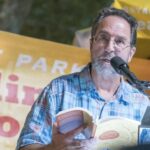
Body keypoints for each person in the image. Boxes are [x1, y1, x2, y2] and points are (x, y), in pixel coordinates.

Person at [16, 7, 150, 150]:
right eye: (103, 38)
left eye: (119, 41)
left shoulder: (142, 104)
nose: (110, 47)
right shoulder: (58, 90)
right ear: (92, 44)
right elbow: (25, 146)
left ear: (130, 53)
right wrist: (52, 148)